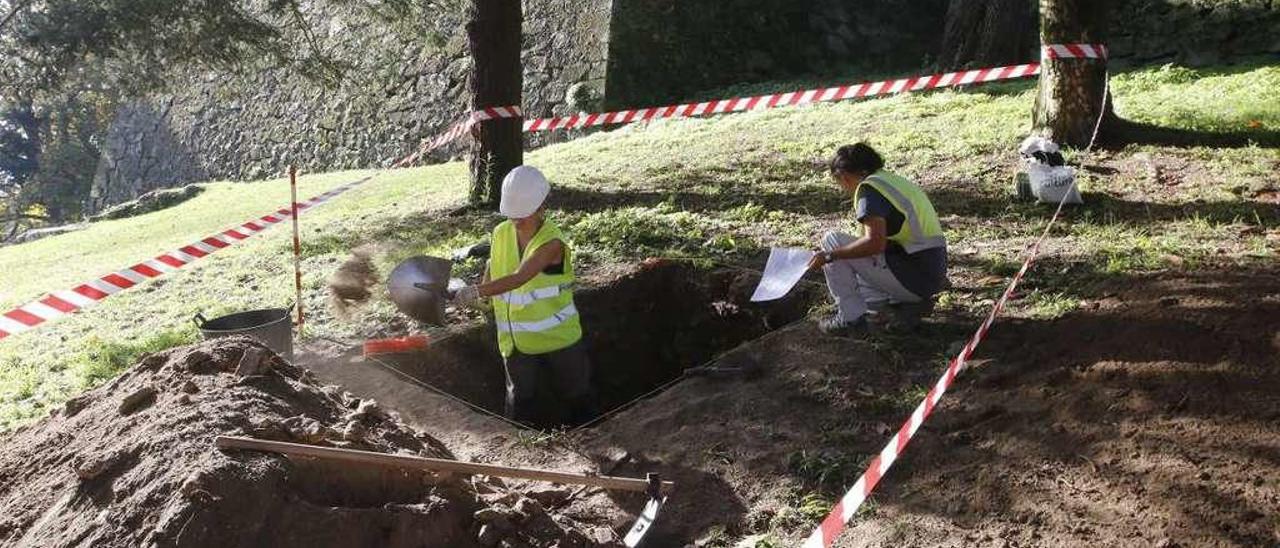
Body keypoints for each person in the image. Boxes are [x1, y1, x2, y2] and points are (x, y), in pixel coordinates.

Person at [451, 166, 597, 424]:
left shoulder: (552, 243)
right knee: (520, 401)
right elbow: (492, 264)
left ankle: (590, 437)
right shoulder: (501, 232)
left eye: (523, 215)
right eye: (512, 215)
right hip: (515, 340)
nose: (516, 221)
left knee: (576, 395)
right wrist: (483, 295)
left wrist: (475, 290)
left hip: (558, 337)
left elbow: (520, 277)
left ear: (542, 207)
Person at [807, 143, 949, 336]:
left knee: (833, 242)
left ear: (844, 177)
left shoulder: (869, 191)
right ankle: (891, 310)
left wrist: (830, 256)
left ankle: (850, 318)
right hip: (927, 273)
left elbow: (874, 244)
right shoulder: (891, 181)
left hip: (915, 277)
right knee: (854, 253)